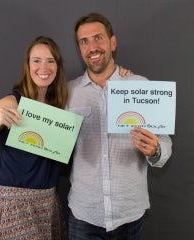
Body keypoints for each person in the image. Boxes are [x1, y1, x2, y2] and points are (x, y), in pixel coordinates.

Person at [66, 12, 172, 240]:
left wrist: (156, 150)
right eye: (84, 41)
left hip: (129, 216)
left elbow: (165, 144)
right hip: (84, 216)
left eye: (98, 38)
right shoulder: (68, 93)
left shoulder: (139, 86)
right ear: (79, 48)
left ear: (112, 43)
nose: (92, 47)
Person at [0, 36, 68, 240]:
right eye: (36, 60)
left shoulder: (59, 109)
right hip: (14, 208)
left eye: (50, 60)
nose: (43, 67)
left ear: (58, 66)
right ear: (27, 65)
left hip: (47, 206)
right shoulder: (11, 103)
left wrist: (122, 77)